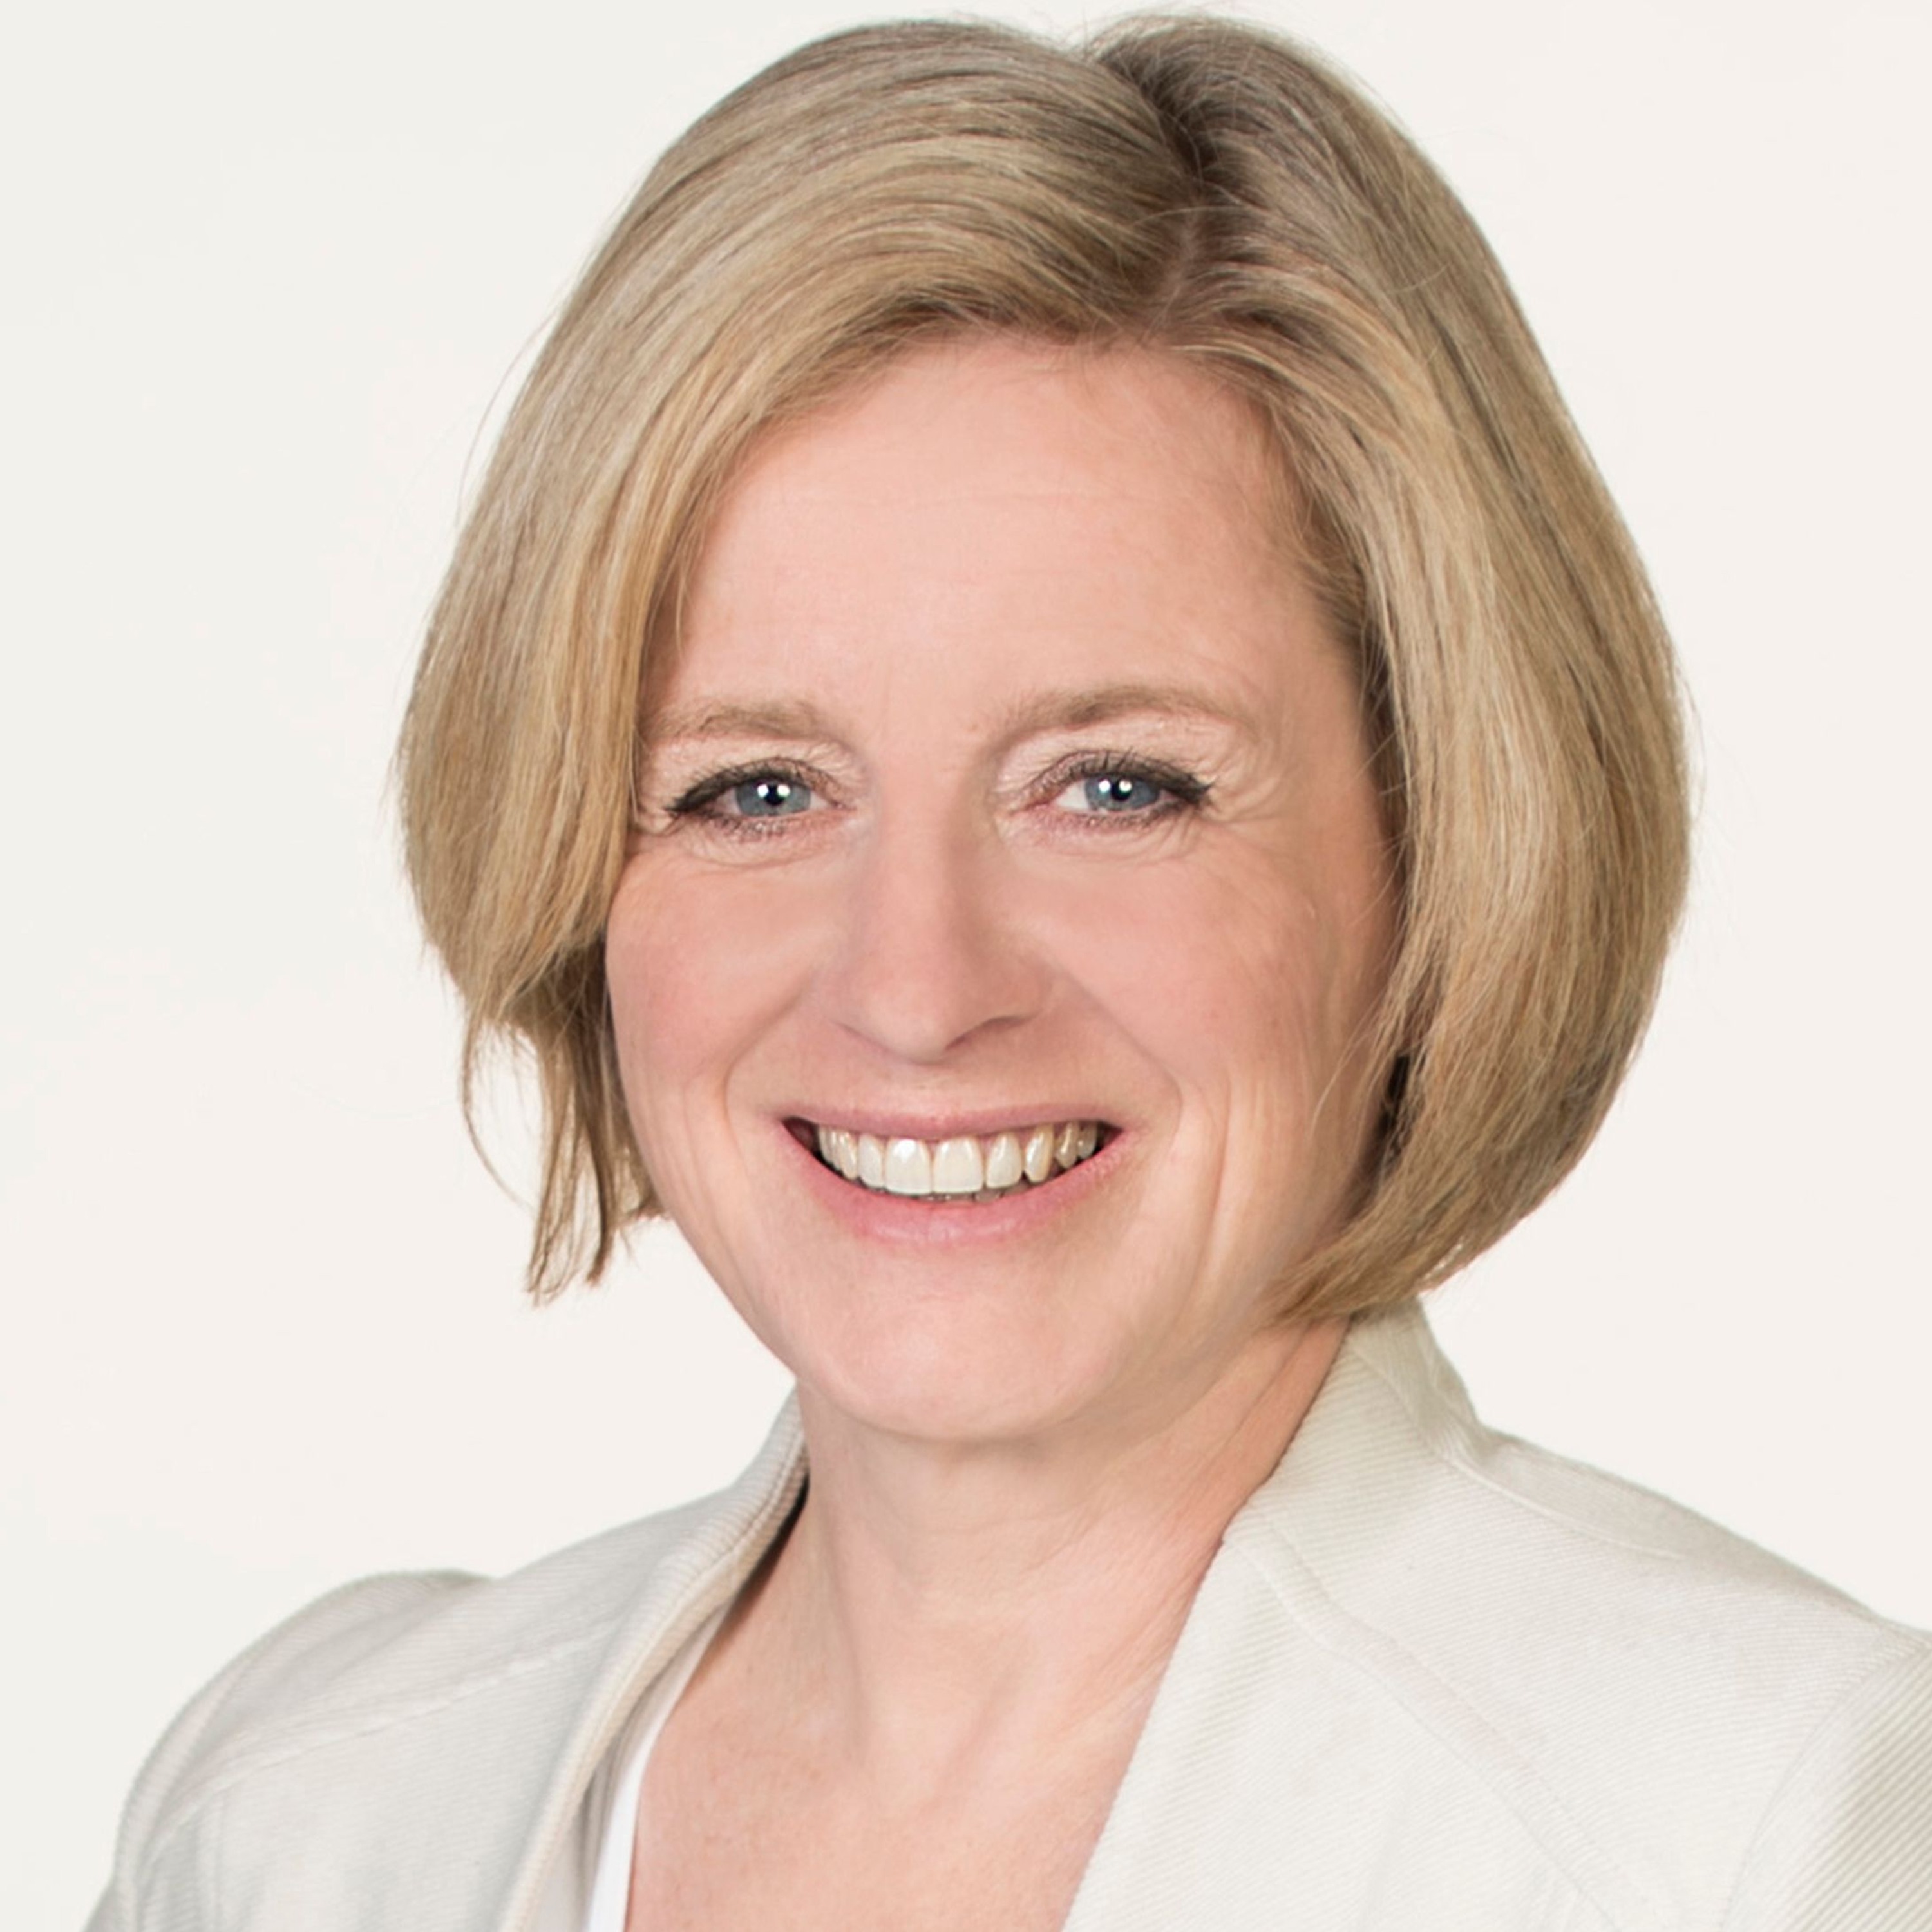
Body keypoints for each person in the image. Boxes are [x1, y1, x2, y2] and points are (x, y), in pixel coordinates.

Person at [88, 14, 1932, 1930]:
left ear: (1441, 833)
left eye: (1118, 786)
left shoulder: (1772, 1840)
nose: (916, 987)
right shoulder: (297, 1826)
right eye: (756, 790)